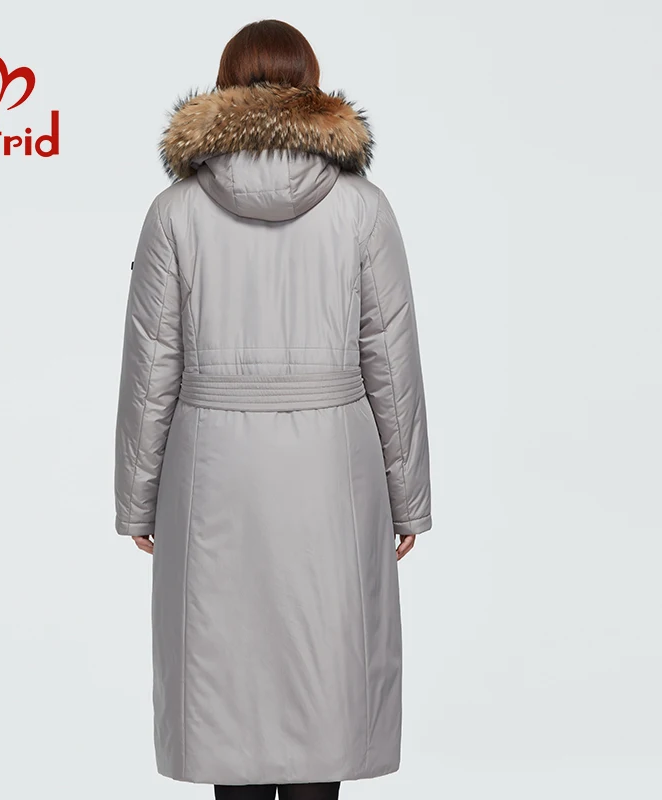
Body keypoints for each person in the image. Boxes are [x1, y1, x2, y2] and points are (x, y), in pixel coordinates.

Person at [114, 18, 433, 800]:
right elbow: (390, 362)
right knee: (325, 671)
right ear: (312, 88)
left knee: (227, 686)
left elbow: (151, 367)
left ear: (225, 86)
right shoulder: (363, 209)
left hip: (213, 475)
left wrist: (138, 499)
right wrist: (409, 499)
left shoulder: (174, 213)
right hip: (333, 470)